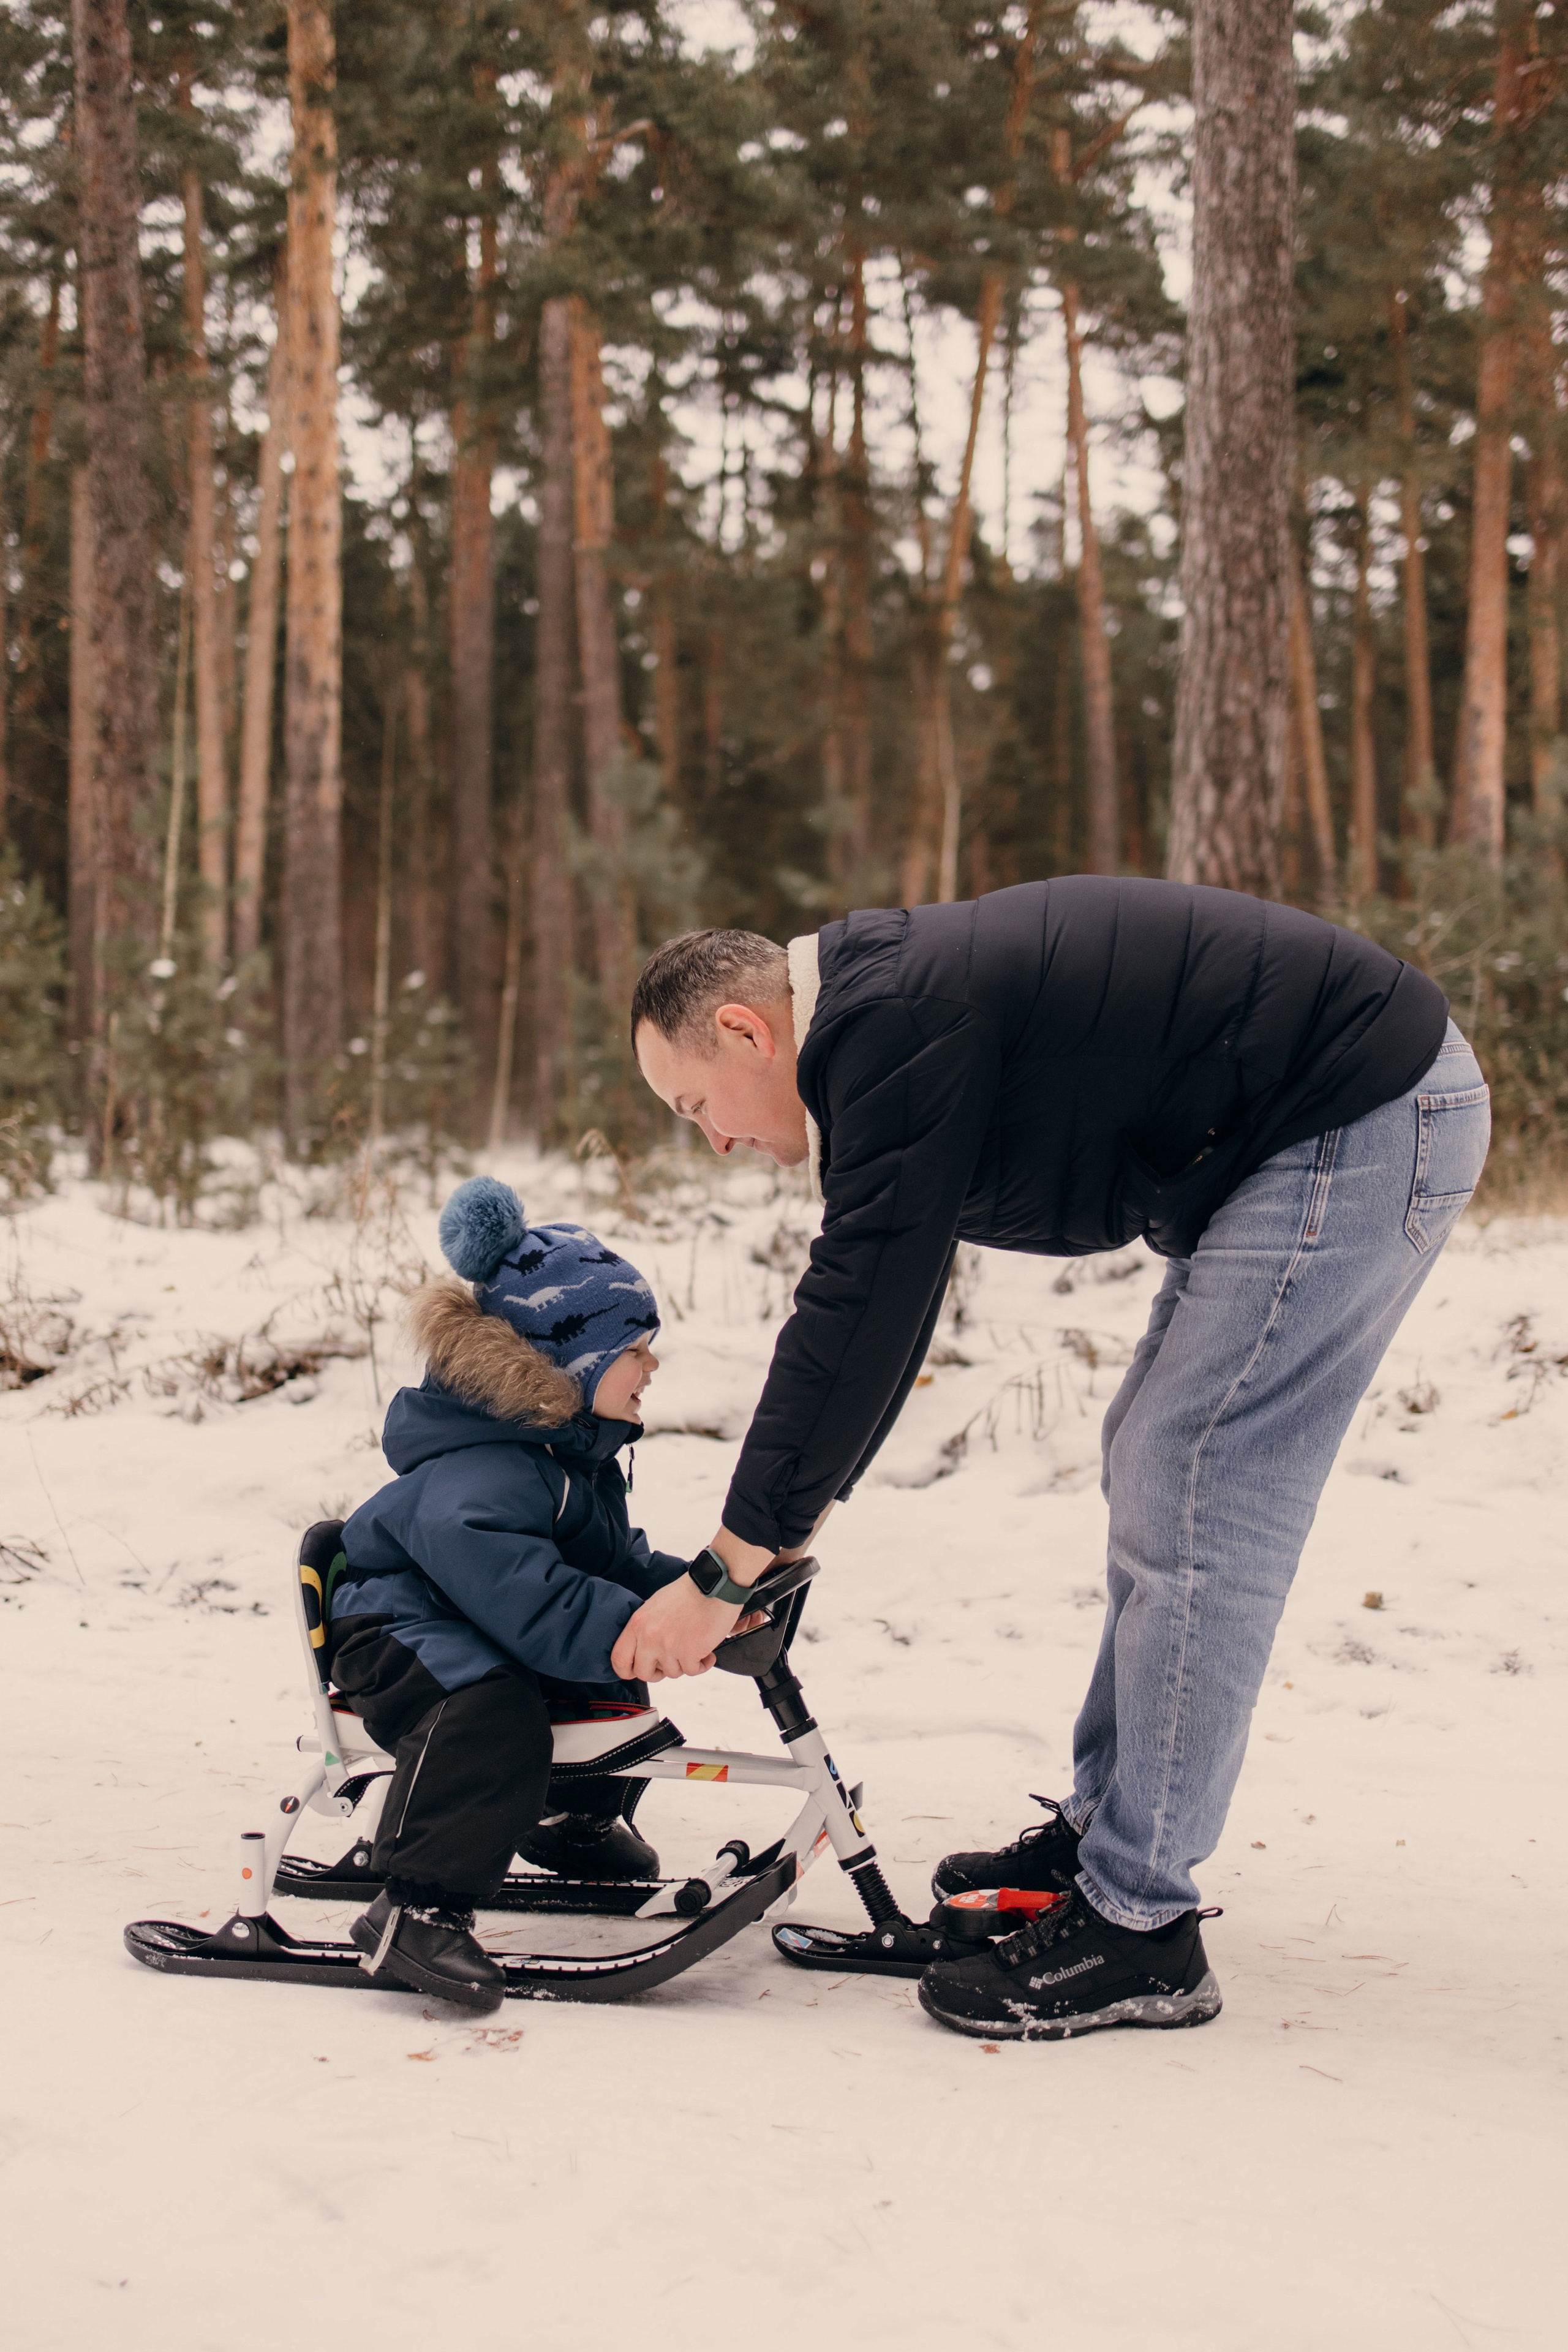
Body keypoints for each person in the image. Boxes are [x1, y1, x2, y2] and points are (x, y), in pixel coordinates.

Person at [619, 876, 1491, 2042]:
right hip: (1298, 1128)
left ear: (745, 1030)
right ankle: (1109, 1836)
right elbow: (891, 1306)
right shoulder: (884, 1018)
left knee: (1197, 1477)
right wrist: (788, 1526)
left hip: (1358, 1107)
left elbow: (860, 1301)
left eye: (694, 1105)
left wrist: (728, 1567)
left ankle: (1140, 1924)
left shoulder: (888, 1024)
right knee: (1154, 1452)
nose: (718, 1138)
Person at [328, 1177, 692, 2013]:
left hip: (470, 1613)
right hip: (396, 1627)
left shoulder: (569, 1459)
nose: (652, 1364)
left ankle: (572, 1824)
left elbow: (617, 1564)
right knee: (490, 1714)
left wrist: (702, 1594)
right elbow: (532, 1602)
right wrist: (641, 1628)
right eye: (635, 1348)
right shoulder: (480, 1476)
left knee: (606, 1664)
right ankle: (416, 1906)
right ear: (569, 1361)